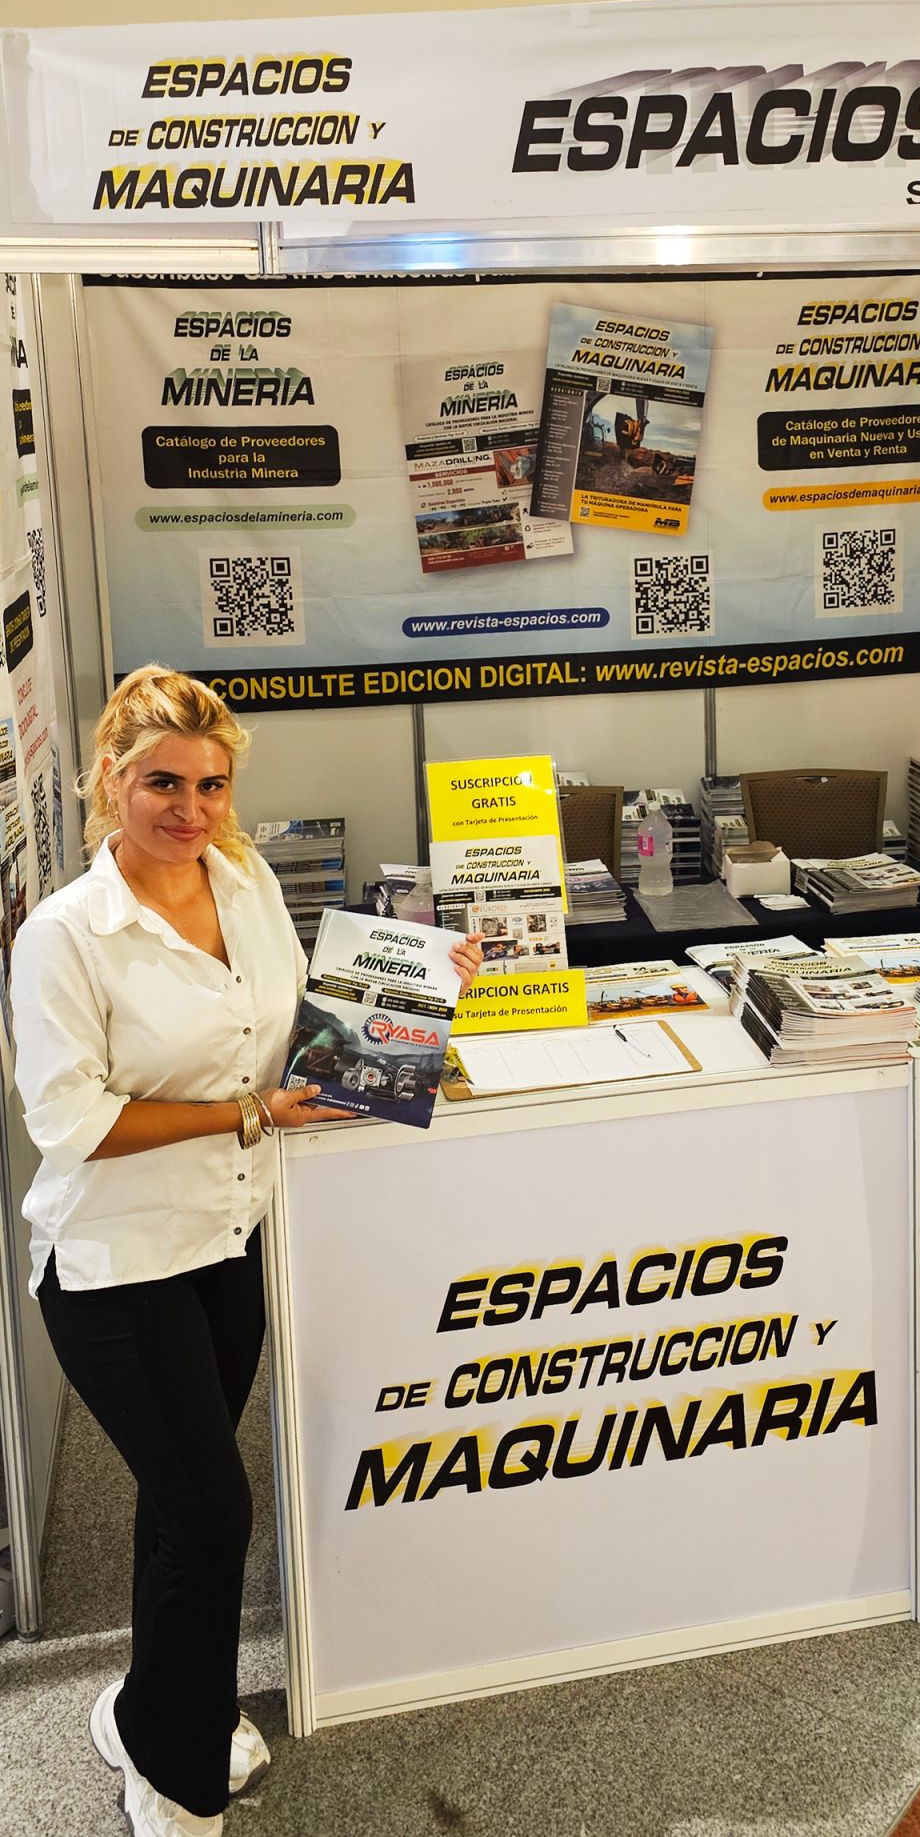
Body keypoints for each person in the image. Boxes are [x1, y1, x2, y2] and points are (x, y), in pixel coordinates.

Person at [10, 666, 481, 1837]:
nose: (191, 808)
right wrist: (249, 1113)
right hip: (118, 1263)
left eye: (212, 785)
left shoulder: (247, 878)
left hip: (230, 1240)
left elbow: (295, 1027)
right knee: (214, 1510)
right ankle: (174, 1775)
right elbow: (69, 1125)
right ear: (110, 780)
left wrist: (415, 991)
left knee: (184, 1499)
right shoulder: (66, 935)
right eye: (163, 783)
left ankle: (148, 1707)